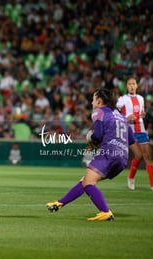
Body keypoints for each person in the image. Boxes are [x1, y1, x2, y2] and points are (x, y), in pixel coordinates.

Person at [47, 88, 135, 221]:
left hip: (108, 153)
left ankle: (106, 212)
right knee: (86, 181)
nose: (91, 102)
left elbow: (97, 135)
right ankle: (59, 203)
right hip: (122, 157)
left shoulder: (98, 112)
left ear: (99, 101)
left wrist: (91, 138)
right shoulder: (121, 116)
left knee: (89, 182)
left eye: (93, 99)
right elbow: (131, 140)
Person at [116, 76, 153, 192]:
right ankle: (131, 178)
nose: (131, 86)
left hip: (141, 129)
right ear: (126, 86)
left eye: (133, 84)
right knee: (139, 155)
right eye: (129, 84)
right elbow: (114, 114)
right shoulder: (122, 99)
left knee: (148, 156)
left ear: (136, 86)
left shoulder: (141, 99)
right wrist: (126, 117)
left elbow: (139, 113)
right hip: (129, 131)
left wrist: (142, 114)